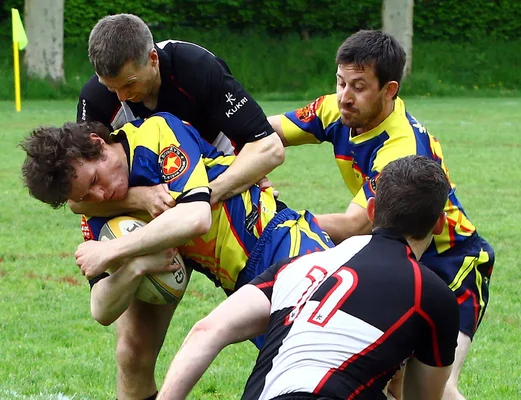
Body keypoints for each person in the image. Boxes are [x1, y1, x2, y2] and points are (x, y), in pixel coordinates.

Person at [20, 112, 333, 400]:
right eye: (85, 198)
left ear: (97, 144)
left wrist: (115, 250)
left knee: (339, 361)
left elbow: (195, 217)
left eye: (93, 182)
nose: (100, 197)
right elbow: (101, 308)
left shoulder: (157, 132)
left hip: (285, 242)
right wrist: (136, 267)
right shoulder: (102, 211)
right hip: (245, 286)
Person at [267, 30, 494, 400]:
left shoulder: (400, 147)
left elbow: (355, 224)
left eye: (358, 86)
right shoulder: (335, 108)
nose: (344, 96)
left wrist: (276, 223)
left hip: (451, 260)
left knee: (436, 387)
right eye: (340, 82)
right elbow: (263, 133)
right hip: (395, 255)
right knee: (391, 379)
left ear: (389, 90)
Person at [156, 155, 460, 400]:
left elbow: (206, 331)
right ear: (438, 224)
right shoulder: (430, 294)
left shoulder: (295, 266)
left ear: (371, 209)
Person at [73, 13, 284, 218]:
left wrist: (200, 198)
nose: (121, 97)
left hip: (216, 167)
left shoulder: (195, 67)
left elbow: (269, 147)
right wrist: (140, 198)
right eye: (110, 87)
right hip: (153, 189)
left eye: (129, 84)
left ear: (153, 59)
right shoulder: (95, 99)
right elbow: (77, 198)